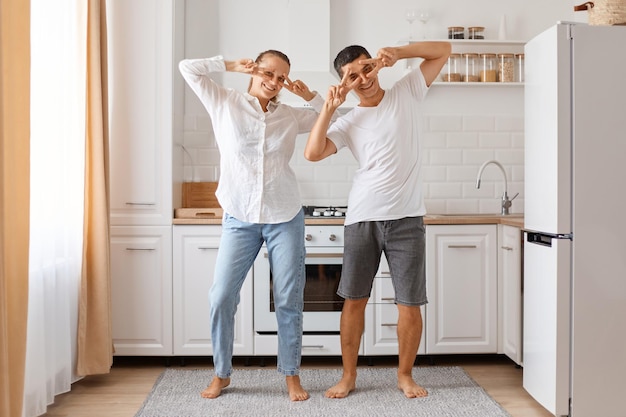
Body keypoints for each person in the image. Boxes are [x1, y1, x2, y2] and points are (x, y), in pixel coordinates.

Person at [304, 41, 451, 399]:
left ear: (375, 66)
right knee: (354, 300)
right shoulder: (349, 120)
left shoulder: (407, 90)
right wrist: (329, 108)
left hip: (407, 219)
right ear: (345, 83)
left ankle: (404, 375)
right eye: (352, 77)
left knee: (409, 302)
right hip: (363, 218)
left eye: (365, 68)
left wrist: (398, 53)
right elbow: (312, 153)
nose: (363, 78)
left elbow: (443, 50)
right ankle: (349, 376)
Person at [179, 50, 328, 402]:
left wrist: (309, 95)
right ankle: (221, 373)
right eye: (269, 73)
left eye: (281, 78)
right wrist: (229, 65)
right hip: (239, 217)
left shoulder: (290, 115)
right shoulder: (224, 102)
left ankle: (291, 375)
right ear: (255, 69)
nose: (274, 82)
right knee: (221, 296)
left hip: (285, 215)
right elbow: (188, 68)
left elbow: (330, 116)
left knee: (289, 299)